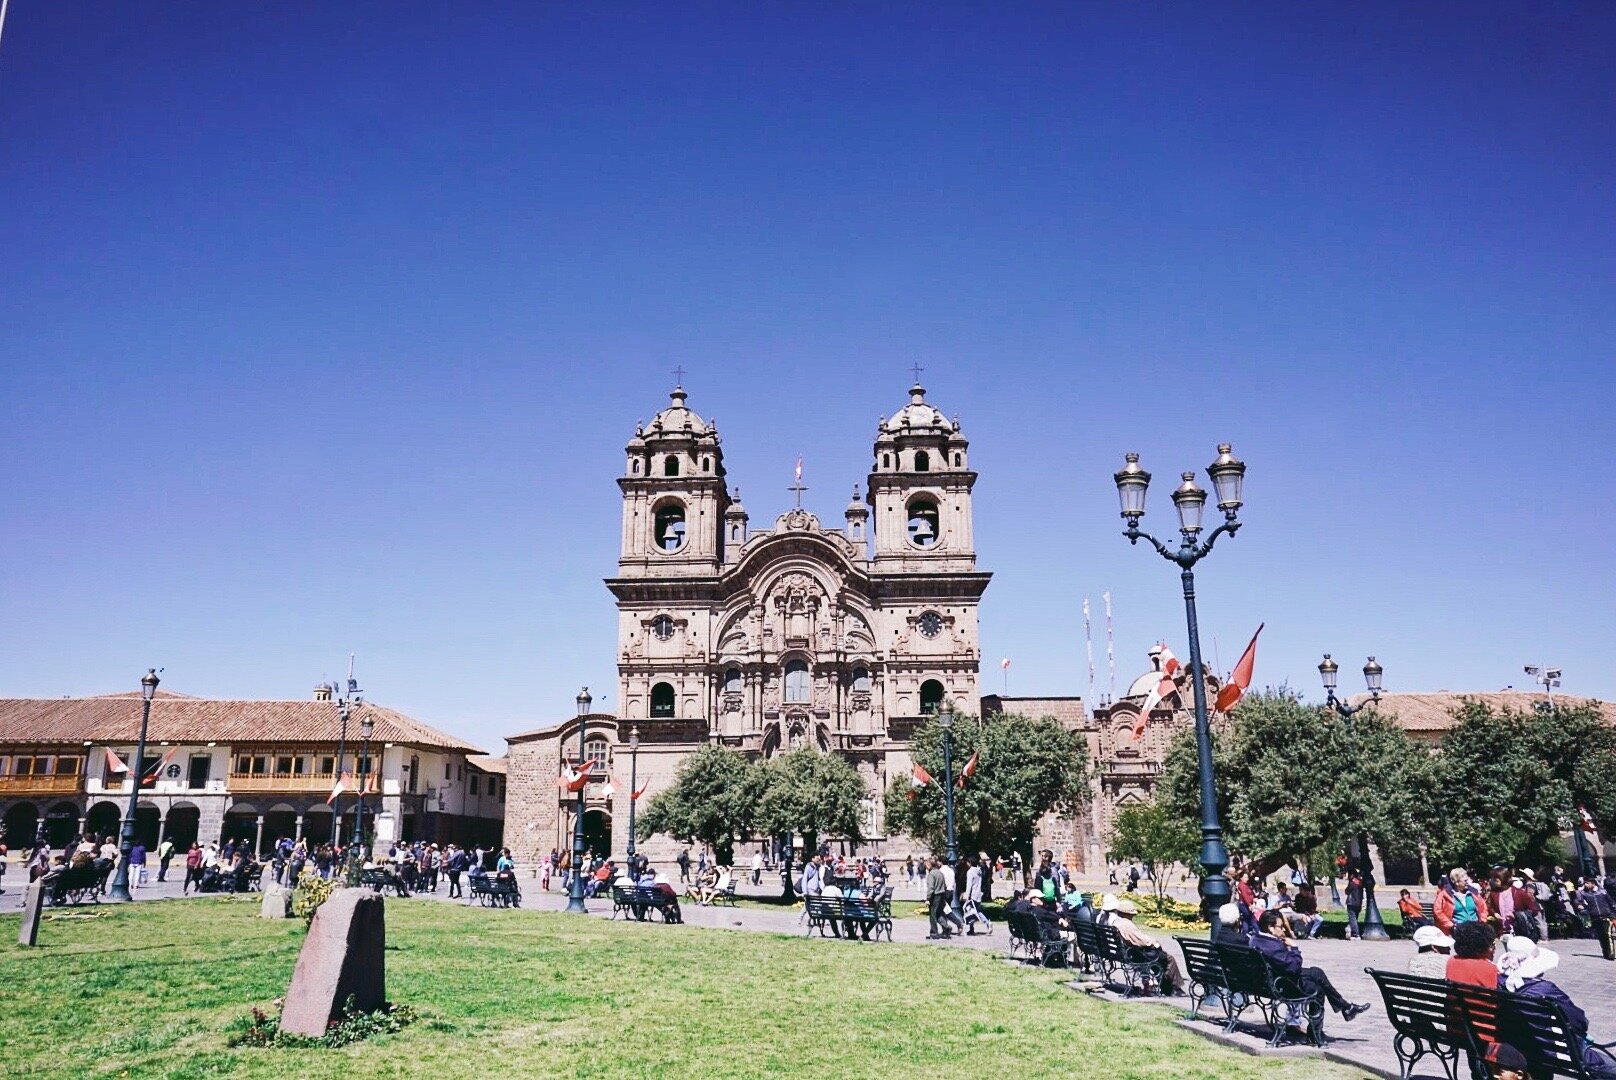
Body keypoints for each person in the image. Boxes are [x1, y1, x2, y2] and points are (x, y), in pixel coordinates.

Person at [1496, 935, 1616, 1077]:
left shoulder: (1499, 985)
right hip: (1558, 1054)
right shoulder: (1545, 990)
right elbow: (1579, 1022)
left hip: (1526, 1048)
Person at [1250, 910, 1369, 1021]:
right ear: (1270, 927)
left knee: (1316, 972)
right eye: (1280, 927)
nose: (1284, 930)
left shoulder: (1255, 939)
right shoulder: (1272, 946)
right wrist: (1294, 948)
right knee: (1317, 988)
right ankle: (1316, 1034)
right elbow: (1294, 968)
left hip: (1265, 982)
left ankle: (1346, 1007)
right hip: (1281, 984)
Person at [1111, 899, 1184, 994]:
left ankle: (1166, 986)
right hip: (1135, 954)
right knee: (1169, 958)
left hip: (1129, 953)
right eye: (1132, 913)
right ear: (1126, 913)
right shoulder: (1126, 924)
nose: (1133, 915)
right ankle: (1174, 988)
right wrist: (1155, 943)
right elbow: (1141, 940)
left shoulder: (1117, 922)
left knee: (1159, 958)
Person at [1446, 921, 1499, 988]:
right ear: (1480, 946)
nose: (1494, 948)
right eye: (1492, 944)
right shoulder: (1490, 968)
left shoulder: (1452, 961)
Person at [1573, 876, 1615, 961]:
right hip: (1594, 917)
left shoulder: (1602, 892)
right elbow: (1579, 901)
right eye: (1585, 883)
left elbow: (1612, 903)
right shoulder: (1584, 893)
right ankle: (1605, 953)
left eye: (1587, 883)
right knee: (1601, 936)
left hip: (1607, 916)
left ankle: (1611, 954)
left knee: (1608, 935)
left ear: (1593, 883)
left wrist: (1614, 913)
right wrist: (1579, 905)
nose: (1585, 885)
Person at [925, 857, 953, 939]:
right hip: (942, 894)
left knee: (933, 915)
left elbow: (931, 888)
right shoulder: (940, 873)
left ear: (930, 865)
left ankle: (934, 932)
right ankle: (946, 927)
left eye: (926, 865)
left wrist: (928, 899)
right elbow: (944, 885)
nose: (926, 866)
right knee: (939, 913)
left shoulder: (931, 874)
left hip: (935, 896)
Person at [962, 857, 989, 935]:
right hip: (978, 894)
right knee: (975, 911)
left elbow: (969, 885)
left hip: (972, 895)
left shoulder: (970, 872)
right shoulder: (978, 871)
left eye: (967, 862)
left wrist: (967, 896)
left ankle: (987, 922)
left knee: (971, 911)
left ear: (970, 862)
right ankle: (971, 929)